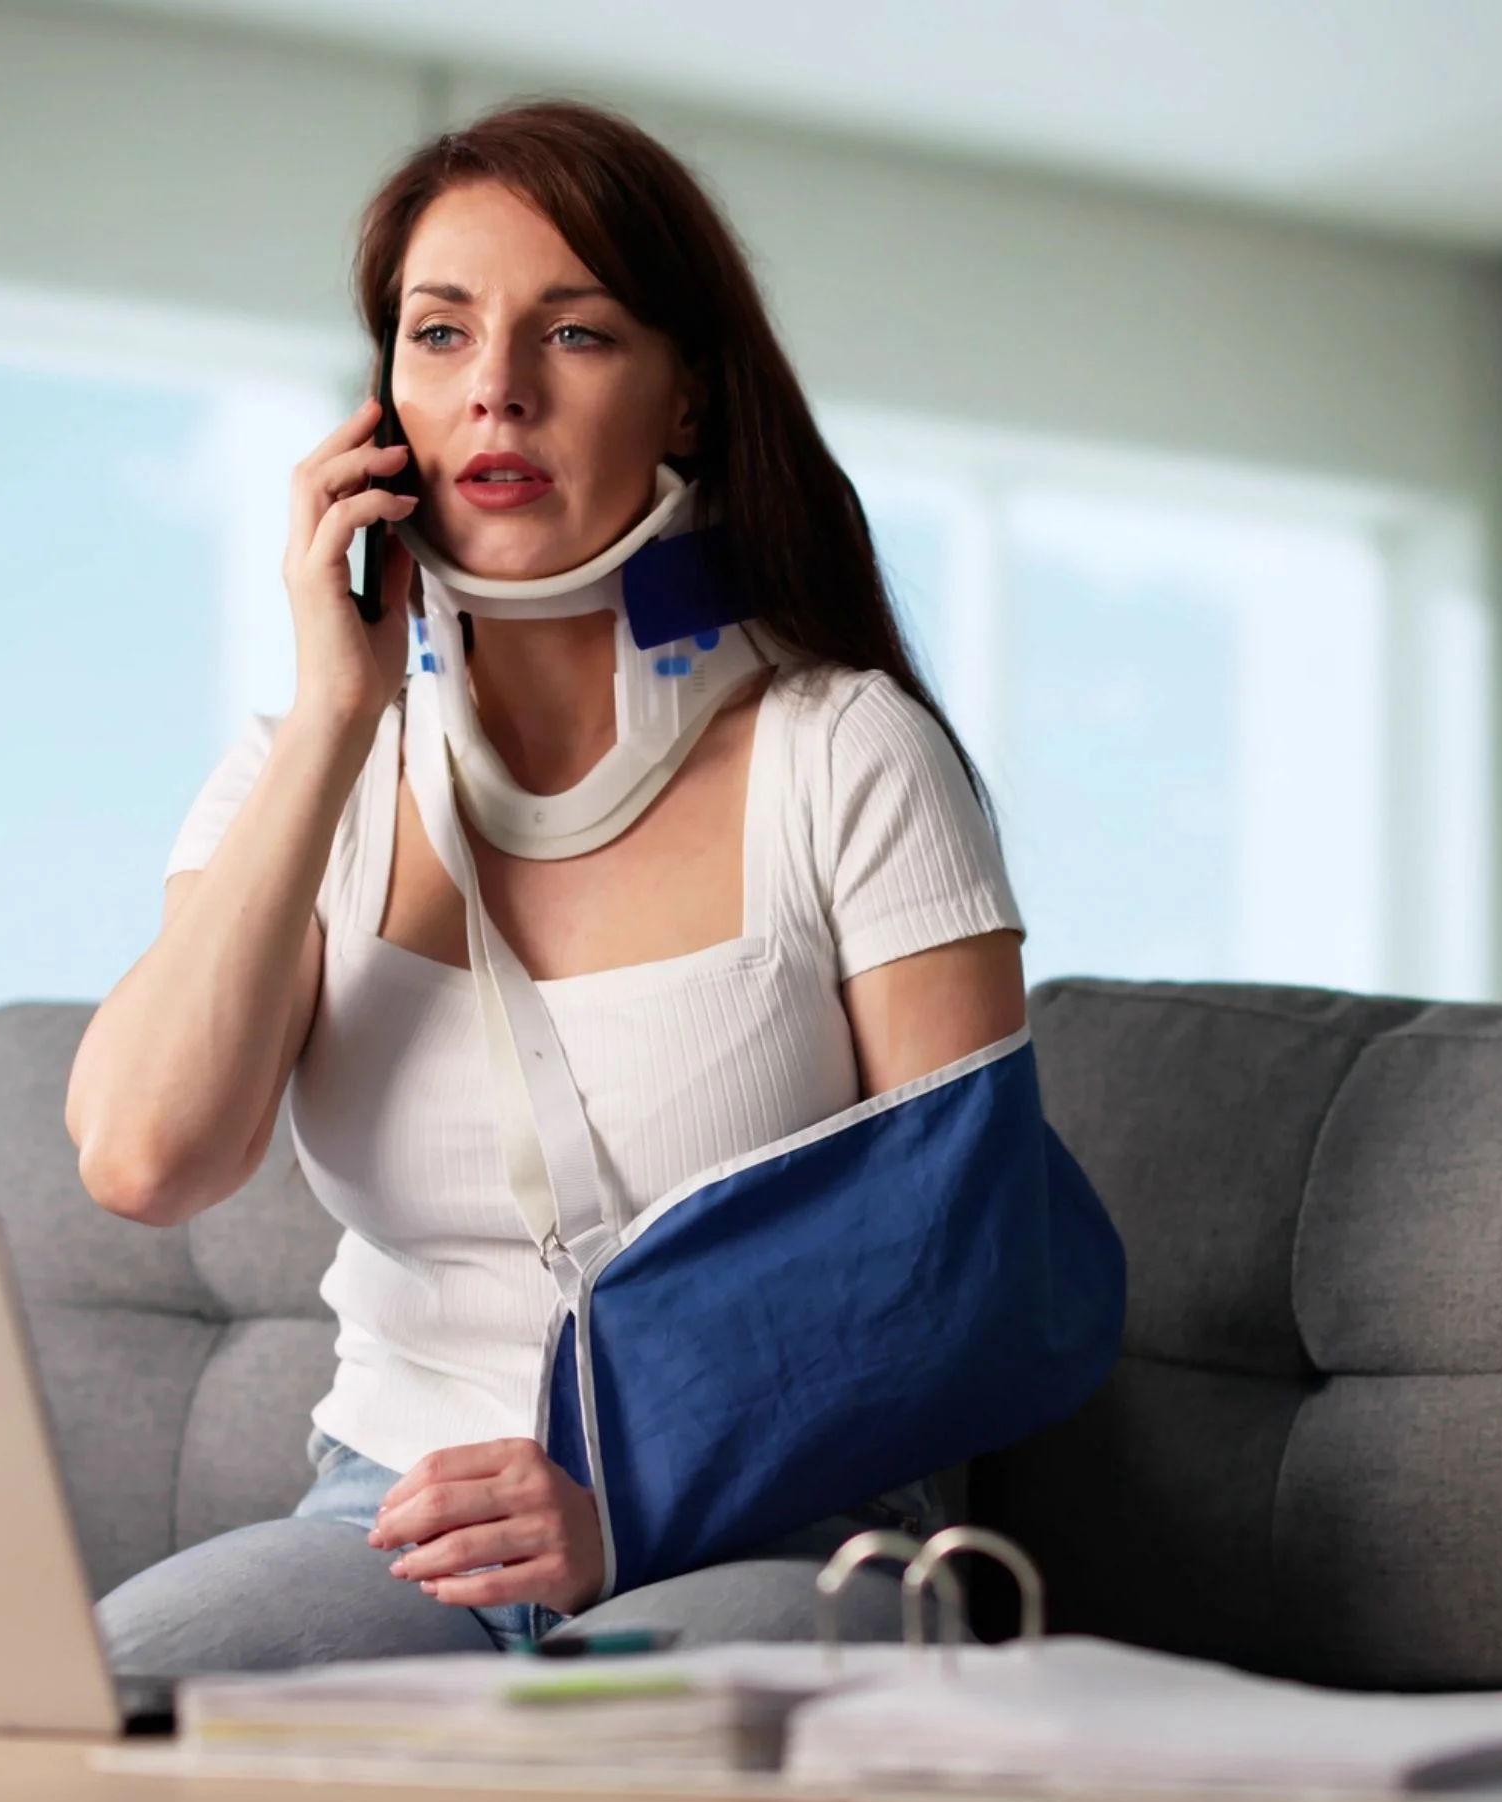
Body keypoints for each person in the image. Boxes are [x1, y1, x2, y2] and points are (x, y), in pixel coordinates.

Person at [65, 101, 1027, 1671]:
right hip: (393, 1523)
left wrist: (634, 1501)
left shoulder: (849, 755)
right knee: (105, 1712)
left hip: (774, 1525)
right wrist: (333, 719)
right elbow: (143, 1156)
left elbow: (963, 1274)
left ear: (689, 403)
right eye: (439, 335)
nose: (495, 386)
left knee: (604, 1761)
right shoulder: (301, 773)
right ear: (385, 408)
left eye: (572, 335)